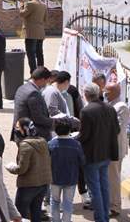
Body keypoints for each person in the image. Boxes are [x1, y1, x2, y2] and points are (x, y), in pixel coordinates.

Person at [78, 83, 119, 222]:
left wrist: (74, 137)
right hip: (106, 153)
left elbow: (84, 135)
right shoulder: (110, 108)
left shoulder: (86, 111)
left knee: (95, 189)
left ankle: (101, 218)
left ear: (86, 95)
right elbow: (117, 130)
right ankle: (104, 217)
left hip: (92, 155)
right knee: (104, 187)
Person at [6, 117, 52, 222]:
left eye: (18, 127)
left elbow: (22, 169)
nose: (16, 130)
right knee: (36, 212)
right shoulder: (43, 141)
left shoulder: (25, 145)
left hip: (28, 185)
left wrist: (11, 168)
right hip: (43, 184)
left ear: (24, 129)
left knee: (20, 214)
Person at [48, 118, 85, 222]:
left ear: (55, 130)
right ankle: (66, 220)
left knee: (54, 201)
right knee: (68, 203)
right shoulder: (76, 145)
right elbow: (82, 161)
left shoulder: (50, 144)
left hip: (54, 178)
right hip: (71, 178)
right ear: (69, 130)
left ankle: (55, 220)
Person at [105, 82, 129, 217]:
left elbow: (117, 129)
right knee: (108, 178)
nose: (105, 94)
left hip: (116, 149)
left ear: (115, 92)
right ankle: (110, 204)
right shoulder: (109, 104)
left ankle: (115, 207)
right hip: (108, 148)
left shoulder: (121, 107)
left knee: (113, 178)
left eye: (107, 92)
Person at [11, 66, 53, 142]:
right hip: (30, 136)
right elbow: (38, 118)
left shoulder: (22, 87)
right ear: (42, 80)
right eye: (47, 81)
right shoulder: (33, 93)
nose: (46, 84)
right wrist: (56, 122)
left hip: (20, 132)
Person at [19, 0, 47, 74]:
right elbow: (45, 19)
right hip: (40, 32)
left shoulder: (29, 4)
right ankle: (41, 73)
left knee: (31, 54)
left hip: (30, 33)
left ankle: (34, 73)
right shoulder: (43, 5)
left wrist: (22, 4)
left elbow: (22, 14)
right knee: (39, 53)